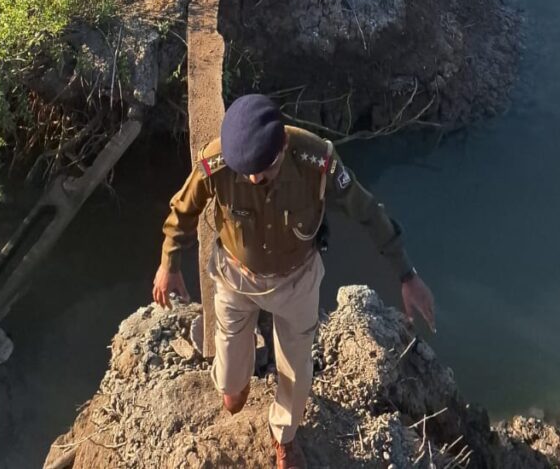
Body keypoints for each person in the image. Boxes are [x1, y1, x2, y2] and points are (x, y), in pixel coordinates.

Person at [152, 94, 435, 469]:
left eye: (262, 169)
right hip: (236, 276)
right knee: (230, 389)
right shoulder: (217, 161)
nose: (252, 178)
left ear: (282, 146)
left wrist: (407, 275)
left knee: (297, 368)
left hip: (296, 279)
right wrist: (168, 263)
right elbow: (183, 210)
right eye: (245, 171)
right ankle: (236, 384)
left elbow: (367, 212)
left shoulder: (316, 160)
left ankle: (284, 434)